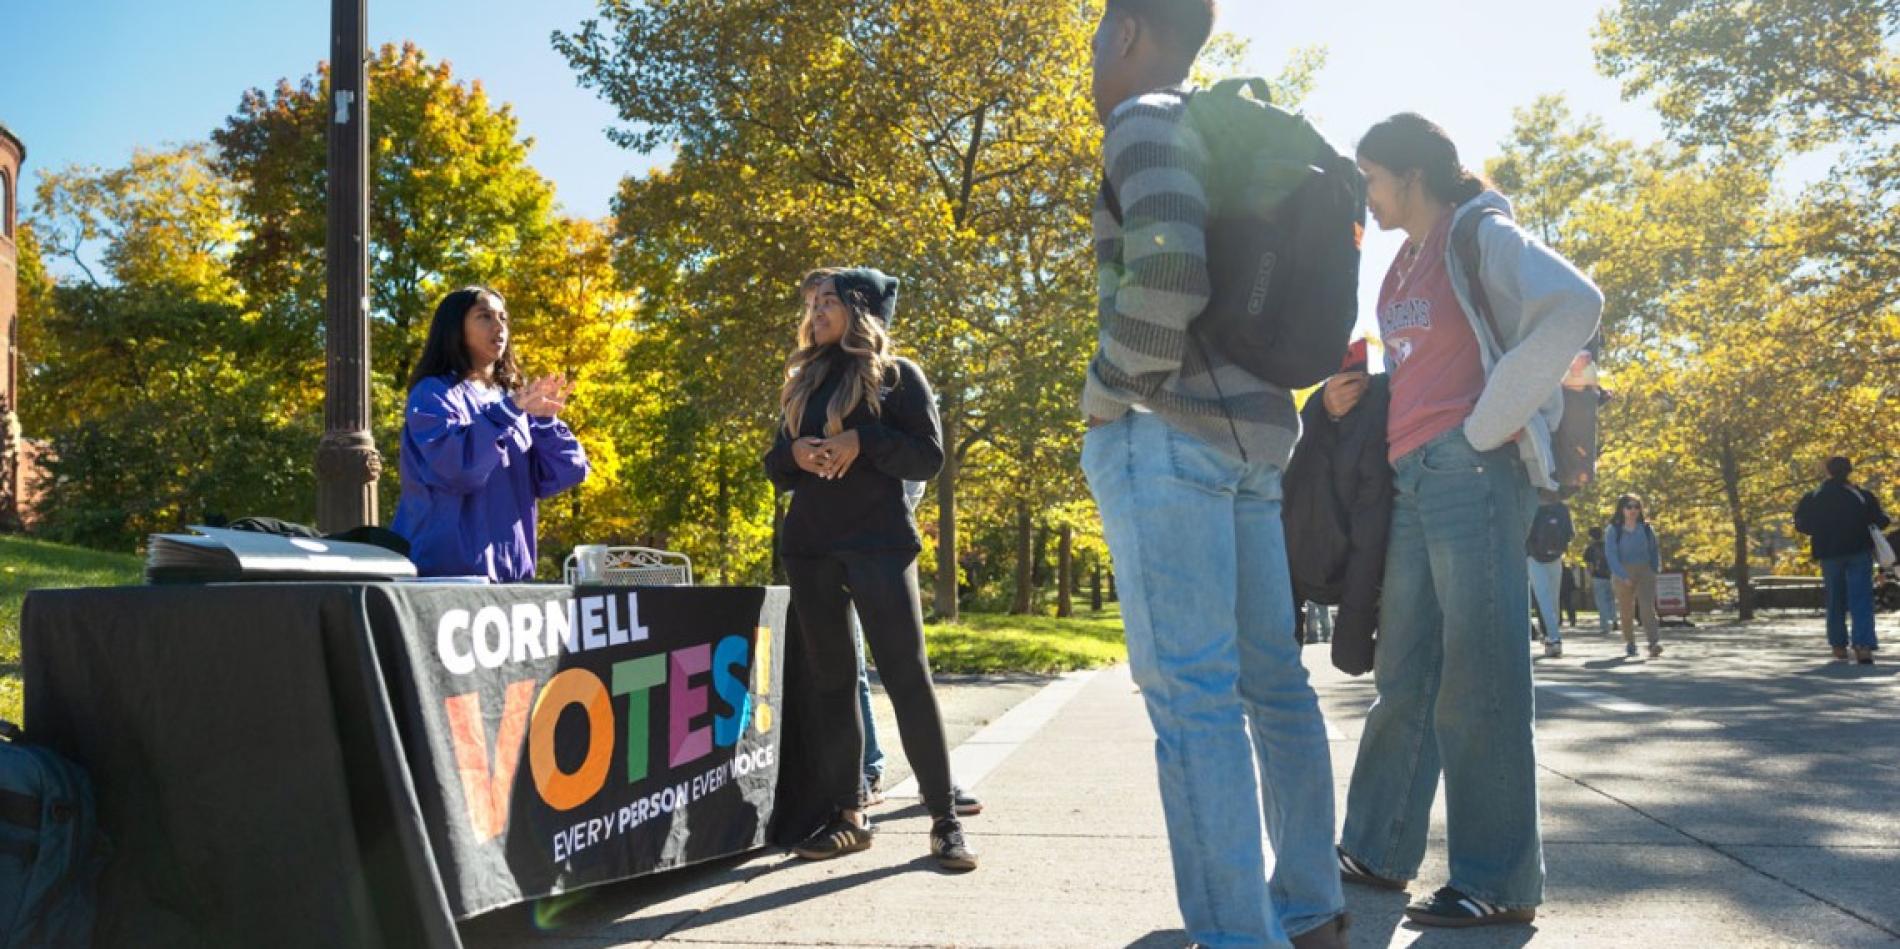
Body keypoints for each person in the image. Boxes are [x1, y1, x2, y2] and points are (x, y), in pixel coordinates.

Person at [1080, 2, 1348, 946]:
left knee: (1191, 697)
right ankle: (1310, 907)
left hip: (1168, 433)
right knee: (1274, 684)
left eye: (1095, 34)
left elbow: (1167, 288)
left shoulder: (1142, 122)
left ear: (1125, 34)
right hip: (1255, 438)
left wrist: (1107, 389)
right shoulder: (1219, 130)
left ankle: (1240, 935)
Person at [1332, 113, 1600, 929]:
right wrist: (1353, 398)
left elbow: (1576, 304)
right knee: (1405, 671)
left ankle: (1498, 877)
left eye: (1372, 177)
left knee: (1479, 676)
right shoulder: (1399, 268)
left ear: (1411, 175)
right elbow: (1421, 368)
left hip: (1473, 470)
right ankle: (1377, 847)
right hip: (1415, 476)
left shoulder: (1479, 229)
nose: (1367, 195)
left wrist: (1487, 424)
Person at [763, 266, 977, 871]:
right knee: (834, 684)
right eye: (811, 302)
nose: (816, 311)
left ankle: (944, 820)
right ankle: (848, 816)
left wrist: (863, 440)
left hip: (879, 545)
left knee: (906, 677)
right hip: (809, 548)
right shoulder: (803, 380)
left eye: (828, 301)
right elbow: (775, 466)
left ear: (859, 310)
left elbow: (928, 457)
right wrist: (796, 454)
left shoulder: (898, 376)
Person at [392, 286, 588, 580]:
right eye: (484, 317)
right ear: (455, 329)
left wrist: (547, 423)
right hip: (446, 576)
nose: (499, 327)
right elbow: (459, 469)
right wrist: (507, 413)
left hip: (512, 578)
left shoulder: (511, 401)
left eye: (504, 318)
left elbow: (566, 473)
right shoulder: (432, 394)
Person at [1285, 338, 1395, 676]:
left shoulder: (1374, 413)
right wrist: (1323, 407)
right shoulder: (1314, 417)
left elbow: (1371, 525)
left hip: (1333, 559)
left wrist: (1353, 631)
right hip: (1300, 557)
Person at [1794, 456, 1890, 664]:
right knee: (1861, 599)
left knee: (1835, 599)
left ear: (1827, 471)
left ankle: (1838, 645)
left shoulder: (1814, 496)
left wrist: (1822, 530)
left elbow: (1802, 524)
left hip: (1828, 553)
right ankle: (1863, 646)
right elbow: (1881, 521)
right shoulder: (1862, 495)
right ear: (1849, 471)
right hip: (1858, 551)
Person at [1605, 494, 1664, 659]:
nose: (1633, 510)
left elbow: (1654, 550)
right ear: (1622, 509)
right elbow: (1611, 556)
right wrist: (1623, 576)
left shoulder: (1646, 529)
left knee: (1647, 608)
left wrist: (1654, 569)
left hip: (1645, 570)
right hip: (1622, 571)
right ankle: (1630, 642)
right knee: (1626, 610)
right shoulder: (1613, 530)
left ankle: (1654, 643)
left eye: (1636, 507)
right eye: (1629, 507)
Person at [1583, 527, 1617, 635]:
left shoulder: (1590, 549)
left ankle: (1605, 625)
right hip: (1611, 576)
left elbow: (1590, 566)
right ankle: (1614, 619)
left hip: (1597, 577)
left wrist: (1589, 581)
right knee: (1611, 600)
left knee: (1601, 601)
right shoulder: (1609, 546)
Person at [1530, 556, 1564, 657]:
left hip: (1534, 556)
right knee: (1553, 598)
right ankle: (1552, 635)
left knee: (1544, 598)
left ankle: (1553, 638)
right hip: (1555, 553)